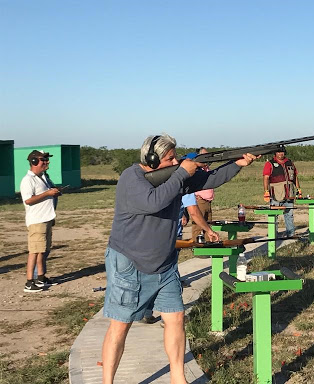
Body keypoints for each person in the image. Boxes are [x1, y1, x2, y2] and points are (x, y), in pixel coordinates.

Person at [101, 134, 257, 384]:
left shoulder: (176, 177)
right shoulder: (132, 178)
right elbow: (154, 201)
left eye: (175, 157)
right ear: (151, 159)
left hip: (164, 264)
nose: (175, 161)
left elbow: (210, 178)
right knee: (121, 325)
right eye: (169, 158)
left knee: (176, 318)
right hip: (130, 263)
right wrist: (182, 172)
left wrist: (238, 164)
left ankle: (178, 377)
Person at [140, 192, 219, 324]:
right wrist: (209, 230)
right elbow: (193, 211)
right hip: (171, 237)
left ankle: (146, 312)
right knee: (171, 276)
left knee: (152, 275)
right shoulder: (185, 186)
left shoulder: (162, 182)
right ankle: (171, 316)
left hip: (151, 235)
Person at [20, 150, 61, 292]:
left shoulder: (42, 177)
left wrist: (54, 192)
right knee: (35, 251)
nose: (46, 162)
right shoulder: (28, 180)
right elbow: (28, 200)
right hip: (37, 221)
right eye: (43, 160)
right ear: (34, 162)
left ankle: (41, 277)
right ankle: (29, 281)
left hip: (47, 218)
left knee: (43, 250)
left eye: (46, 159)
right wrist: (48, 193)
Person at [262, 147, 301, 236]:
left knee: (289, 215)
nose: (280, 154)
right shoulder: (270, 164)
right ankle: (273, 234)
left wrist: (299, 189)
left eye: (282, 152)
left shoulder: (290, 163)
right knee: (274, 215)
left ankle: (290, 234)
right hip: (276, 194)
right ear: (275, 153)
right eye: (278, 152)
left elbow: (295, 177)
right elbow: (266, 178)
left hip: (289, 193)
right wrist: (266, 191)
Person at [191, 147, 215, 241]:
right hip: (200, 200)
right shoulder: (197, 169)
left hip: (208, 201)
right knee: (198, 225)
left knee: (208, 224)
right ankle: (196, 246)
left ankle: (208, 246)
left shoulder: (207, 168)